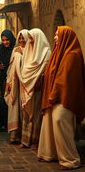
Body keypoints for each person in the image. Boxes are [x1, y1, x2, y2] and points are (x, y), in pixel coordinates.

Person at [38, 26, 85, 170]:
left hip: (65, 97)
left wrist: (54, 94)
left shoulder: (72, 54)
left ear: (65, 37)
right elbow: (51, 72)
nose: (55, 38)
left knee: (60, 122)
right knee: (49, 123)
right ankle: (51, 154)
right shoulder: (58, 53)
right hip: (55, 95)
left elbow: (64, 78)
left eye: (57, 35)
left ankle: (70, 160)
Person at [19, 28, 51, 150]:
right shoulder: (28, 50)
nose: (30, 41)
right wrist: (26, 80)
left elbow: (46, 71)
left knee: (36, 114)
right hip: (26, 86)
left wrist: (38, 79)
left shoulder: (46, 53)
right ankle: (25, 140)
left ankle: (35, 141)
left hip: (38, 88)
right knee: (26, 113)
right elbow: (25, 68)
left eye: (32, 38)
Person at [4, 29, 29, 143]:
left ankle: (24, 136)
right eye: (19, 38)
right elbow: (10, 68)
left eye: (23, 38)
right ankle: (14, 135)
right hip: (15, 83)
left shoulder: (31, 50)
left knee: (24, 109)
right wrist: (8, 82)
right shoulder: (15, 50)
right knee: (14, 108)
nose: (21, 40)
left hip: (26, 83)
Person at [0, 30, 16, 131]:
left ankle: (11, 123)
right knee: (2, 102)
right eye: (3, 40)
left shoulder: (16, 49)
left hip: (13, 79)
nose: (5, 42)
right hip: (2, 80)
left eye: (7, 40)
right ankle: (2, 123)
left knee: (11, 102)